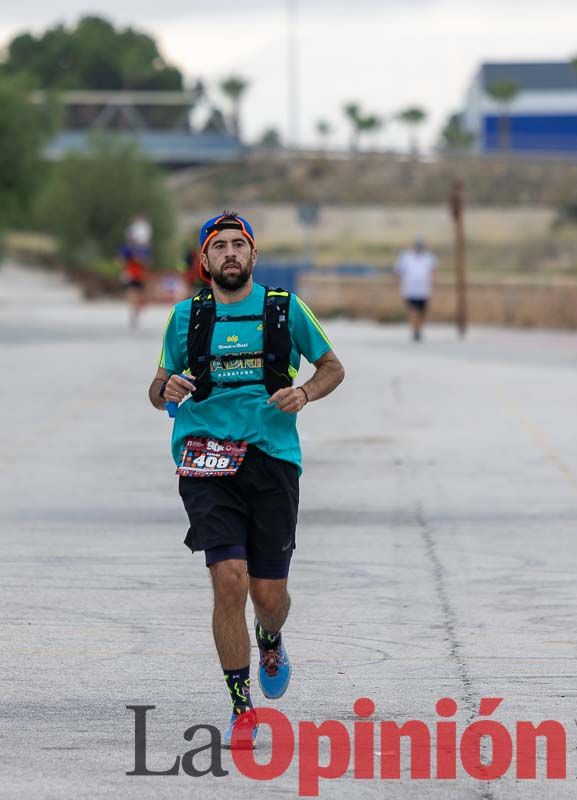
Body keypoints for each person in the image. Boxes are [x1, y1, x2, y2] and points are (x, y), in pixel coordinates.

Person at [147, 212, 345, 748]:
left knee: (269, 594)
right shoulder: (185, 318)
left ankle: (271, 636)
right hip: (206, 459)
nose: (231, 253)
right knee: (228, 579)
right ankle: (241, 707)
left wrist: (303, 393)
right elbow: (159, 383)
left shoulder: (285, 310)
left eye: (240, 245)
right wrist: (166, 390)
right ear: (204, 260)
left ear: (253, 257)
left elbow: (332, 366)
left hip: (272, 459)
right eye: (220, 246)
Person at [394, 238, 438, 341]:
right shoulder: (406, 257)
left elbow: (434, 270)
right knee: (413, 310)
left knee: (422, 312)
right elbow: (399, 270)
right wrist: (399, 282)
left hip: (423, 290)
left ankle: (419, 329)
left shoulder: (429, 257)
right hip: (410, 289)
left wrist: (432, 281)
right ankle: (415, 330)